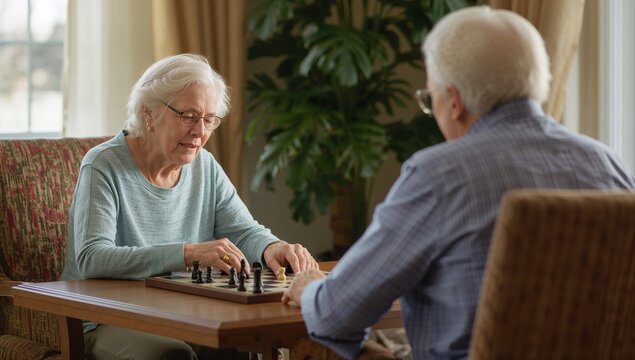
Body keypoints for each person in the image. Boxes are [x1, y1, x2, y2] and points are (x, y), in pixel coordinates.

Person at [282, 6, 635, 360]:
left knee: (313, 348)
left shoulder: (439, 176)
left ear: (454, 101)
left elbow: (337, 315)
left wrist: (311, 288)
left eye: (429, 97)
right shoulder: (608, 164)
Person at [61, 53, 318, 359]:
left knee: (242, 346)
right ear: (149, 114)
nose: (200, 132)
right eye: (188, 116)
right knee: (170, 355)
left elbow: (243, 231)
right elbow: (93, 258)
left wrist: (271, 247)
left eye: (209, 120)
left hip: (185, 312)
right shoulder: (103, 165)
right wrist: (189, 253)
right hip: (108, 318)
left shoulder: (205, 166)